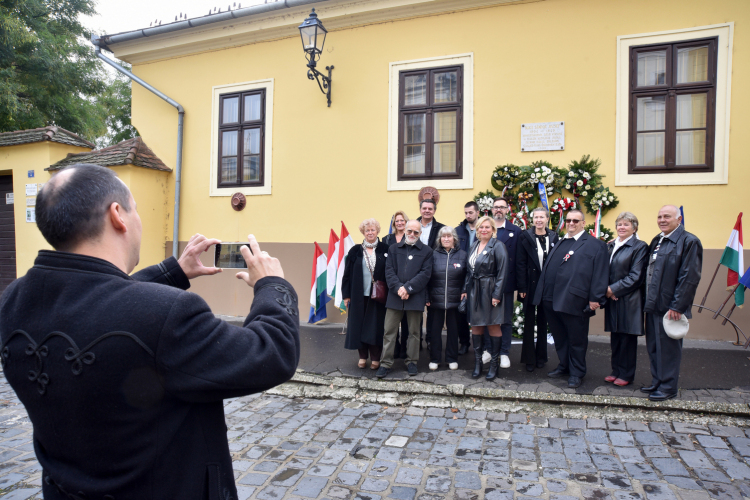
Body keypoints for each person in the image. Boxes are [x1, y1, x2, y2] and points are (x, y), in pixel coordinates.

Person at [0, 164, 299, 499]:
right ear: (118, 215)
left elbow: (96, 299)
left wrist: (173, 271)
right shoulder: (166, 314)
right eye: (136, 209)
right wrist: (273, 285)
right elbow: (271, 352)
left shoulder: (14, 299)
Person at [533, 209, 608, 389]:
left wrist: (595, 298)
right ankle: (565, 365)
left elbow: (600, 273)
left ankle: (577, 372)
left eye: (576, 220)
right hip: (551, 299)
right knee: (560, 337)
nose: (571, 223)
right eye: (568, 220)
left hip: (575, 299)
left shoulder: (594, 245)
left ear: (583, 223)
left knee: (576, 339)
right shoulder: (561, 241)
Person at [641, 205, 702, 401]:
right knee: (654, 347)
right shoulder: (658, 240)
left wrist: (678, 305)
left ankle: (668, 387)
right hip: (653, 304)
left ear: (679, 219)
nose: (662, 220)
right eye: (659, 217)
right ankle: (657, 381)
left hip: (670, 307)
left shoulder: (689, 241)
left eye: (667, 216)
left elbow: (689, 277)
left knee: (668, 349)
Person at [378, 220, 433, 378]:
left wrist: (408, 288)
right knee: (389, 331)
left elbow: (425, 274)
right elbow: (389, 271)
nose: (412, 234)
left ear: (420, 234)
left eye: (416, 232)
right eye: (409, 231)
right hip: (395, 297)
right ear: (405, 231)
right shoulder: (394, 249)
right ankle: (386, 363)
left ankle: (412, 362)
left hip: (415, 297)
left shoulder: (427, 251)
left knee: (414, 332)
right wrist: (398, 288)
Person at [604, 212, 649, 387]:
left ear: (634, 227)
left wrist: (612, 289)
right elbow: (603, 270)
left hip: (630, 299)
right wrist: (607, 290)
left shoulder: (639, 247)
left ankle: (626, 374)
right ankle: (616, 370)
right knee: (615, 337)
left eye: (626, 224)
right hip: (612, 298)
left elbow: (636, 276)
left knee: (627, 338)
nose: (621, 228)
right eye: (619, 224)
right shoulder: (610, 245)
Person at [464, 216, 508, 380]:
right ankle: (478, 364)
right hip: (475, 290)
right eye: (481, 227)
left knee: (493, 326)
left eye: (487, 227)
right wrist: (465, 290)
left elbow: (502, 273)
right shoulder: (474, 245)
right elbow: (469, 271)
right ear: (477, 229)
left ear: (493, 230)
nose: (484, 230)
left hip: (490, 290)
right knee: (476, 327)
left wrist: (496, 295)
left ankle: (494, 366)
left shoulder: (498, 246)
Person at [342, 218, 389, 370]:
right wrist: (346, 295)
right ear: (363, 232)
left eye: (373, 230)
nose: (370, 232)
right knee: (359, 327)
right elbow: (347, 274)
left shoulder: (385, 249)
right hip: (358, 296)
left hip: (378, 296)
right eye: (367, 230)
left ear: (377, 231)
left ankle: (375, 358)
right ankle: (362, 357)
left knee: (376, 327)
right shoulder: (355, 250)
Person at [516, 207, 559, 372]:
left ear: (547, 219)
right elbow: (520, 263)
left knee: (543, 321)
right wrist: (521, 286)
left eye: (542, 217)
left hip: (547, 286)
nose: (539, 220)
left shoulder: (554, 236)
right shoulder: (525, 236)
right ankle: (529, 358)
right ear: (532, 220)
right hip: (530, 285)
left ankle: (541, 356)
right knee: (528, 321)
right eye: (536, 217)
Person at [425, 226, 467, 371]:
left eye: (449, 236)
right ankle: (435, 359)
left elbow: (467, 276)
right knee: (435, 331)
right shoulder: (432, 255)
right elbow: (426, 277)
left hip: (455, 299)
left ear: (454, 238)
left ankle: (452, 358)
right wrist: (426, 296)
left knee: (453, 330)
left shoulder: (462, 255)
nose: (446, 239)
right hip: (435, 299)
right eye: (443, 236)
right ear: (440, 239)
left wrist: (465, 290)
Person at [492, 197, 522, 369]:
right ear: (492, 209)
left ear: (507, 210)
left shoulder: (515, 231)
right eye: (496, 207)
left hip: (507, 283)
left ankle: (504, 352)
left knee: (506, 319)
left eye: (502, 207)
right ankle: (489, 350)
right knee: (488, 318)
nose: (499, 210)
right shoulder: (485, 227)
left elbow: (519, 260)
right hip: (487, 283)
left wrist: (520, 285)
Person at [383, 211, 410, 359]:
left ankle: (405, 349)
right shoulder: (387, 239)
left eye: (402, 220)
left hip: (408, 285)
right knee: (392, 321)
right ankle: (395, 347)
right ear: (394, 224)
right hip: (392, 285)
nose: (400, 223)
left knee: (407, 319)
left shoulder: (412, 237)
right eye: (397, 221)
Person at [455, 201, 479, 355]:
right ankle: (464, 342)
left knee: (478, 311)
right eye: (466, 213)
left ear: (478, 212)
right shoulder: (458, 230)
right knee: (461, 311)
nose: (468, 215)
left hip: (478, 274)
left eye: (471, 212)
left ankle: (480, 345)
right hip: (461, 273)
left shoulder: (484, 227)